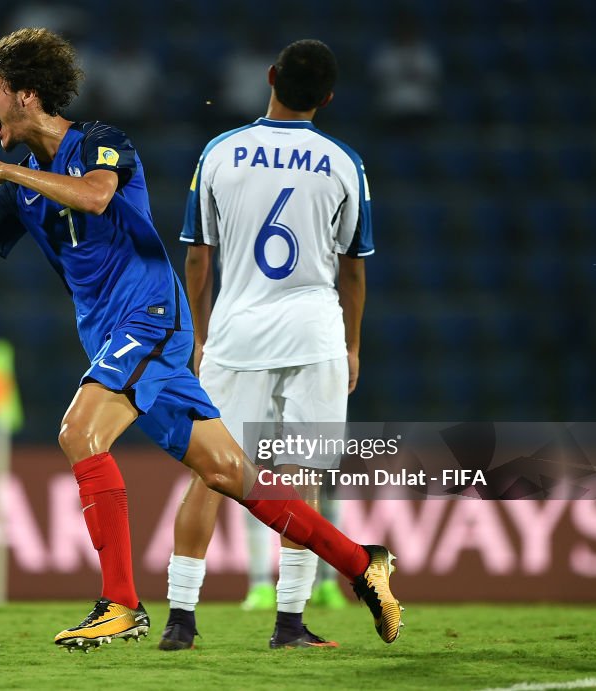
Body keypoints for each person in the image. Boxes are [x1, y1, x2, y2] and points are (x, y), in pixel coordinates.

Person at [0, 28, 401, 651]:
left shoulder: (101, 144)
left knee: (80, 432)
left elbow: (98, 198)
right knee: (229, 472)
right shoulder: (21, 188)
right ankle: (362, 563)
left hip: (150, 316)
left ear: (26, 94)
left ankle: (121, 605)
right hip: (112, 333)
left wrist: (6, 171)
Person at [160, 38, 373, 651]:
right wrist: (353, 345)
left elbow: (198, 258)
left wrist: (199, 338)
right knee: (301, 472)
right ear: (327, 98)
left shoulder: (220, 152)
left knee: (208, 474)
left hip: (235, 334)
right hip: (313, 335)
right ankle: (289, 624)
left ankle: (180, 619)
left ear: (271, 77)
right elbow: (353, 268)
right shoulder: (342, 162)